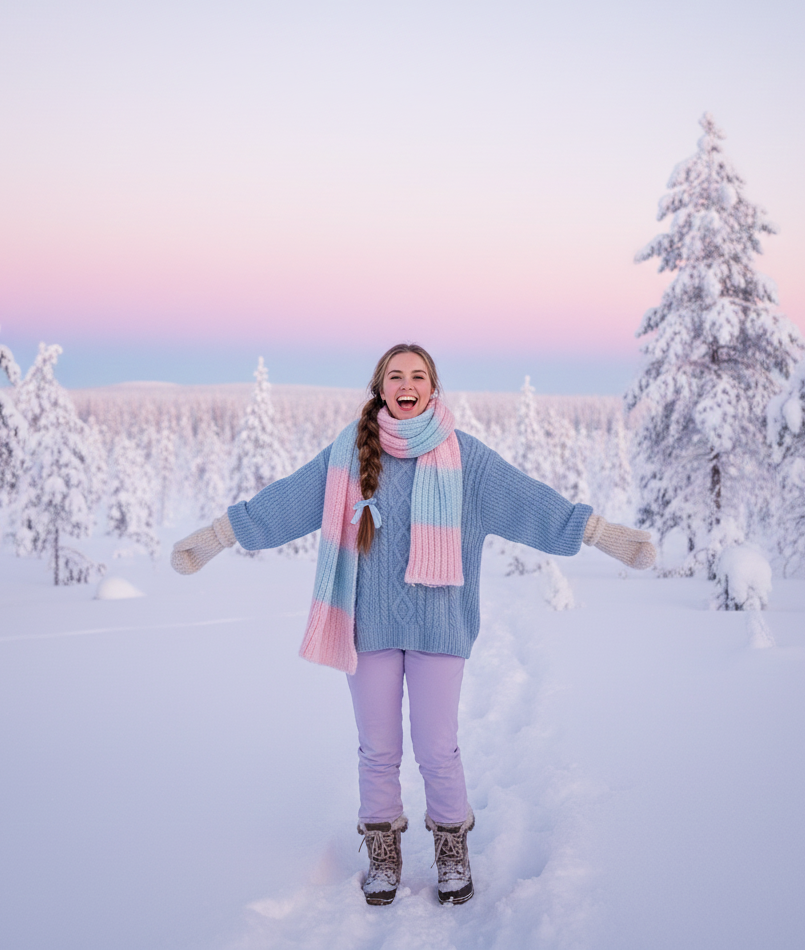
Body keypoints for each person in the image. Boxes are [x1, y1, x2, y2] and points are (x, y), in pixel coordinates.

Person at [171, 343, 655, 907]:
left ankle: (452, 849)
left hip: (440, 627)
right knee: (377, 749)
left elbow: (533, 505)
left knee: (437, 748)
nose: (407, 383)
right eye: (395, 375)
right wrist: (214, 537)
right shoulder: (347, 457)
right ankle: (383, 852)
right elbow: (283, 503)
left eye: (417, 375)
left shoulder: (466, 458)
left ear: (432, 388)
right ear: (381, 388)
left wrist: (606, 537)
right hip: (369, 627)